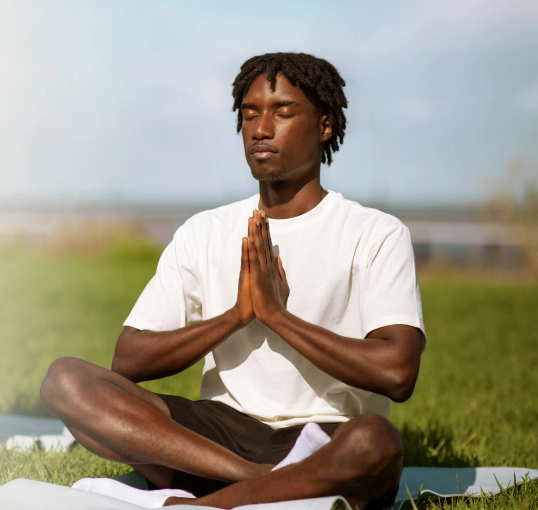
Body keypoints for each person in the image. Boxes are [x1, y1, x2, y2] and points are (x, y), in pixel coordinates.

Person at [39, 53, 424, 509]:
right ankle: (264, 484)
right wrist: (238, 316)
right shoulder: (205, 232)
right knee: (65, 380)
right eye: (249, 114)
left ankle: (208, 504)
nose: (260, 129)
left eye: (283, 112)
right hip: (218, 438)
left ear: (324, 127)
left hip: (324, 437)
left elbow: (397, 373)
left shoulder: (375, 233)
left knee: (375, 443)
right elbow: (129, 359)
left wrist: (277, 317)